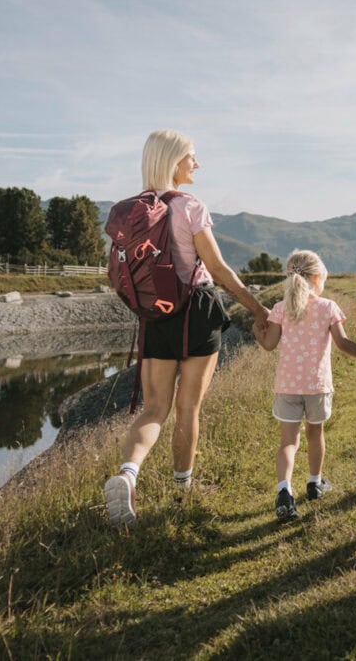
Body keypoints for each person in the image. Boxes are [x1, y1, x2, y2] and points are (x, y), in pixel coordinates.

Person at [104, 129, 270, 528]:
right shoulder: (190, 206)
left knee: (154, 407)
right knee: (188, 407)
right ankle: (183, 489)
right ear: (174, 161)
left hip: (157, 316)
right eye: (192, 157)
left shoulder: (130, 212)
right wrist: (258, 309)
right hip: (196, 310)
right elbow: (218, 270)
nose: (196, 164)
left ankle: (128, 473)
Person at [254, 250, 356, 522]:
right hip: (317, 386)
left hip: (287, 386)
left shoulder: (281, 309)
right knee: (315, 435)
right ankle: (315, 483)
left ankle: (284, 490)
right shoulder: (328, 307)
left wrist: (258, 333)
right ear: (317, 278)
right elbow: (343, 344)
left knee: (288, 442)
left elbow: (269, 345)